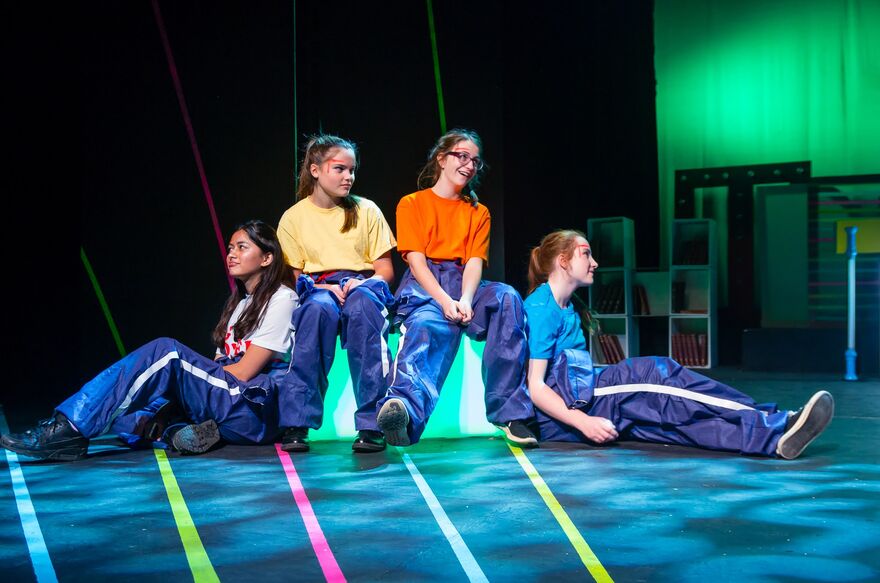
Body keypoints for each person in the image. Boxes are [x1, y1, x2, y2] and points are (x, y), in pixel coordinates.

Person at [522, 229, 834, 459]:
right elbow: (536, 386)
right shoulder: (542, 308)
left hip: (587, 394)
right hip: (581, 402)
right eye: (586, 253)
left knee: (680, 423)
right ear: (562, 261)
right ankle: (778, 420)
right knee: (660, 375)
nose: (595, 262)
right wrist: (583, 422)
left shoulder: (566, 306)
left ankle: (772, 440)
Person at [1, 220, 298, 461]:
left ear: (267, 257)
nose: (231, 253)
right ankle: (176, 431)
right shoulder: (238, 304)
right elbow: (218, 365)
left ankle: (69, 429)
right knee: (127, 412)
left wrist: (187, 384)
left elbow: (244, 372)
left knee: (166, 352)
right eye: (230, 247)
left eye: (242, 248)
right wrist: (184, 390)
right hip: (227, 395)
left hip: (252, 408)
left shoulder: (282, 298)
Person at [376, 128, 536, 448]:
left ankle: (509, 414)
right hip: (426, 283)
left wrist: (464, 297)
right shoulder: (412, 203)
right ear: (441, 158)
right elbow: (416, 262)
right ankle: (405, 412)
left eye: (474, 161)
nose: (469, 165)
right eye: (461, 156)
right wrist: (445, 301)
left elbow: (475, 262)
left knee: (507, 297)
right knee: (425, 324)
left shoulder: (479, 212)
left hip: (464, 280)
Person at [276, 134, 396, 453]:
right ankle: (297, 422)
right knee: (315, 311)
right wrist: (323, 287)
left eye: (352, 170)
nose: (348, 177)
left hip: (361, 285)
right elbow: (293, 275)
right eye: (340, 169)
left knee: (364, 312)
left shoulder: (367, 210)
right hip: (317, 286)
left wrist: (364, 283)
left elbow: (384, 269)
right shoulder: (294, 217)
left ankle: (372, 425)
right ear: (315, 170)